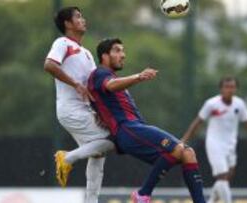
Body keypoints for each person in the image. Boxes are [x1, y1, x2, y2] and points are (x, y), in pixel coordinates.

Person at [88, 38, 206, 203]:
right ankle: (143, 194)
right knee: (178, 149)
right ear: (104, 55)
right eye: (117, 50)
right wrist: (139, 76)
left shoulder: (110, 77)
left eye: (123, 50)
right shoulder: (100, 73)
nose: (123, 55)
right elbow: (110, 86)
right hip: (127, 129)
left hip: (135, 129)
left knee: (188, 153)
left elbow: (101, 98)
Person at [43, 7, 114, 203]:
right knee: (113, 141)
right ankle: (67, 158)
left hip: (85, 109)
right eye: (78, 16)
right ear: (67, 24)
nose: (83, 19)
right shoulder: (62, 43)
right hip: (70, 110)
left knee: (98, 154)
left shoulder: (87, 53)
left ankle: (91, 201)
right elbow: (49, 65)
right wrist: (74, 83)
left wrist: (99, 111)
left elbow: (93, 88)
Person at [182, 76, 247, 203]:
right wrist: (184, 140)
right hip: (214, 143)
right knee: (222, 176)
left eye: (232, 87)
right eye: (227, 87)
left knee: (226, 178)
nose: (230, 90)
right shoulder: (211, 104)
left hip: (230, 144)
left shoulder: (239, 104)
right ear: (221, 89)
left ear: (236, 88)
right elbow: (198, 122)